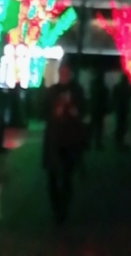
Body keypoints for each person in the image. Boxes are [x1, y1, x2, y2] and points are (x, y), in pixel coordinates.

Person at [42, 60, 86, 224]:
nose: (64, 75)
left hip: (69, 140)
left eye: (66, 73)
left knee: (67, 176)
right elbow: (43, 111)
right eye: (62, 72)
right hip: (54, 139)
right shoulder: (52, 91)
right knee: (53, 177)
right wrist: (55, 112)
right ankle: (56, 208)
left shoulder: (76, 91)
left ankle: (63, 209)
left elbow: (82, 111)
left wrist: (74, 110)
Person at [89, 70, 109, 150]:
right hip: (100, 109)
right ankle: (97, 143)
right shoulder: (103, 87)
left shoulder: (93, 85)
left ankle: (89, 143)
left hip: (94, 108)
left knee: (92, 126)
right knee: (99, 127)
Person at [112, 73, 131, 150]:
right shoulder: (128, 88)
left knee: (119, 125)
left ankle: (118, 142)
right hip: (125, 110)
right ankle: (120, 143)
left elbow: (114, 97)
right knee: (123, 126)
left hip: (119, 109)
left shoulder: (117, 87)